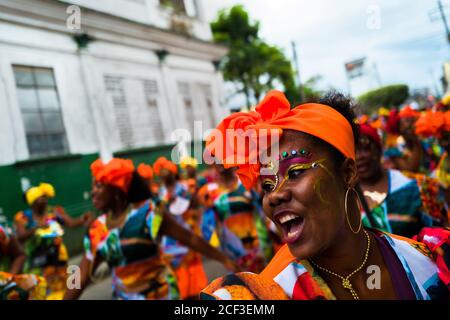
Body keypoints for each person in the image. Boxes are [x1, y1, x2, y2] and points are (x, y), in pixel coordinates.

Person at [201, 90, 449, 300]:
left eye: (296, 172)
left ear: (348, 172)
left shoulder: (429, 260)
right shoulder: (267, 293)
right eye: (267, 186)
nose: (274, 196)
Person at [64, 158, 237, 300]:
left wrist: (223, 258)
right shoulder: (97, 230)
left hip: (163, 295)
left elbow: (189, 238)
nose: (93, 192)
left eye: (99, 186)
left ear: (117, 191)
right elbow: (79, 275)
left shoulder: (149, 214)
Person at [356, 122, 446, 237]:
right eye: (352, 151)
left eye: (365, 149)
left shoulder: (417, 186)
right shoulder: (343, 200)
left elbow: (441, 235)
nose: (359, 156)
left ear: (379, 150)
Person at [14, 183, 93, 299]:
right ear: (33, 202)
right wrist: (36, 228)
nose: (44, 201)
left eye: (45, 198)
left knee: (62, 293)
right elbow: (20, 237)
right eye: (40, 199)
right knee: (39, 294)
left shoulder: (55, 212)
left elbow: (71, 223)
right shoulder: (23, 217)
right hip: (36, 265)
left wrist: (82, 219)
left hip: (58, 262)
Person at [200, 163, 273, 273]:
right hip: (233, 252)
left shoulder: (246, 183)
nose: (219, 161)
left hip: (258, 246)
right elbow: (208, 227)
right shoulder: (209, 192)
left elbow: (263, 211)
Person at [153, 156, 208, 299]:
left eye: (167, 172)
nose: (165, 175)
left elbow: (195, 204)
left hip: (187, 230)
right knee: (176, 271)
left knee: (192, 267)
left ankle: (196, 294)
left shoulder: (183, 187)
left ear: (173, 173)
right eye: (162, 173)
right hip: (170, 238)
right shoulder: (160, 193)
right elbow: (157, 214)